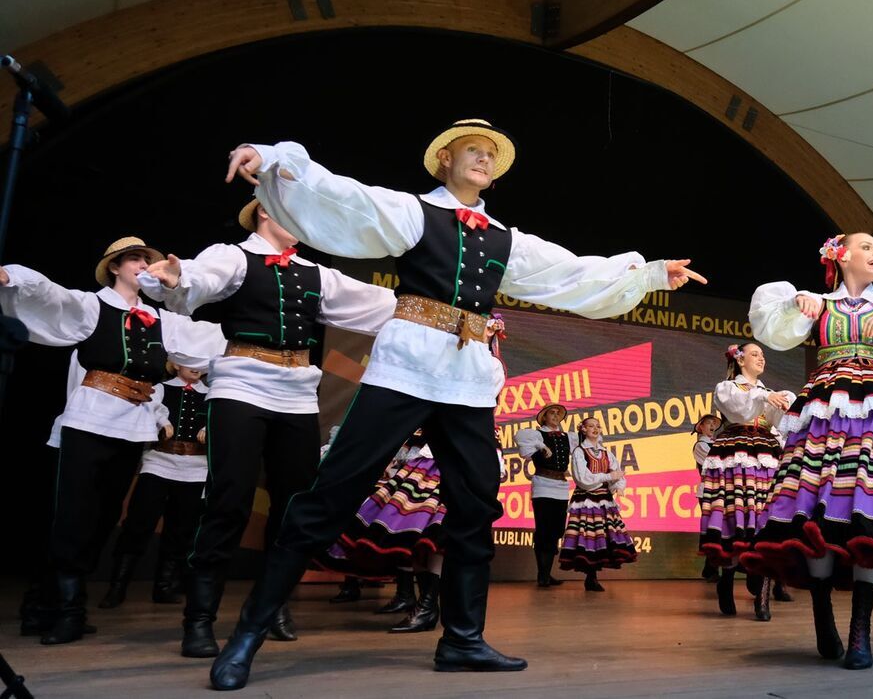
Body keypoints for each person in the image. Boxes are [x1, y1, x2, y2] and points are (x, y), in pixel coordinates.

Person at [207, 119, 705, 689]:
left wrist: (647, 274)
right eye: (474, 150)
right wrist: (271, 159)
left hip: (466, 380)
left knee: (474, 508)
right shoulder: (416, 213)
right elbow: (344, 198)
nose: (484, 160)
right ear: (444, 159)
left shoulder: (505, 238)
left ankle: (462, 639)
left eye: (491, 155)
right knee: (329, 494)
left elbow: (569, 273)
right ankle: (249, 634)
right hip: (407, 367)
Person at [140, 198, 397, 657]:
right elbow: (198, 279)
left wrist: (434, 309)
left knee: (294, 506)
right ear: (263, 212)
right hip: (241, 386)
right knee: (229, 501)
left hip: (298, 392)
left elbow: (378, 303)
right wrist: (179, 279)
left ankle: (272, 604)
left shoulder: (317, 274)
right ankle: (199, 619)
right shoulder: (234, 256)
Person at [0, 237, 224, 645]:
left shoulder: (161, 321)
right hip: (90, 421)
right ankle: (63, 608)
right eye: (134, 259)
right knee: (73, 517)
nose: (142, 264)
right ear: (116, 267)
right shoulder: (91, 306)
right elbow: (52, 297)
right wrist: (12, 277)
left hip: (132, 427)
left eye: (146, 260)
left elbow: (208, 338)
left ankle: (52, 603)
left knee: (103, 520)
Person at [742, 232, 873, 670]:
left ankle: (861, 631)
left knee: (871, 512)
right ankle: (822, 615)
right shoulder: (817, 301)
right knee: (822, 508)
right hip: (828, 407)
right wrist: (797, 301)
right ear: (842, 255)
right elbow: (767, 320)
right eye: (869, 247)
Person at [98, 356, 211, 609]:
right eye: (189, 360)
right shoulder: (162, 388)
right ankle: (117, 586)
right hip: (159, 461)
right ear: (177, 363)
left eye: (200, 361)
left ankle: (164, 586)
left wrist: (210, 426)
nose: (195, 367)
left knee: (181, 528)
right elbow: (150, 408)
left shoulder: (212, 394)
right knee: (139, 522)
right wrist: (164, 422)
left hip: (195, 468)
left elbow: (221, 417)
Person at [315, 430, 446, 633]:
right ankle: (425, 605)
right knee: (412, 530)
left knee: (435, 529)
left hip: (455, 451)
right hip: (425, 453)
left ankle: (427, 606)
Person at [699, 342, 792, 619]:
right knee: (736, 515)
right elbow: (740, 411)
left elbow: (779, 422)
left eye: (763, 355)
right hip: (736, 452)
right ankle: (727, 580)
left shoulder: (770, 392)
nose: (761, 358)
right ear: (740, 361)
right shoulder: (727, 388)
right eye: (755, 354)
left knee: (766, 519)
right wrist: (765, 396)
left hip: (765, 453)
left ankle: (762, 596)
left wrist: (782, 404)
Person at [558, 416, 636, 591]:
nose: (595, 428)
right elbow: (583, 479)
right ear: (583, 429)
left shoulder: (606, 453)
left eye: (598, 426)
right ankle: (590, 576)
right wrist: (609, 477)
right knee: (588, 536)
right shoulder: (579, 451)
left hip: (603, 499)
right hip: (586, 499)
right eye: (591, 426)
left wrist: (618, 485)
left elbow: (617, 473)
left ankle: (592, 576)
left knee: (602, 537)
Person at [515, 404, 579, 588]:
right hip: (543, 485)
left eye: (558, 413)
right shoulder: (537, 435)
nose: (556, 415)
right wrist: (541, 445)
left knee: (557, 530)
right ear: (544, 417)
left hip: (560, 487)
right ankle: (542, 575)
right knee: (544, 530)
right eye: (552, 412)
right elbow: (519, 435)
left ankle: (546, 573)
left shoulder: (567, 437)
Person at [691, 414, 721, 582]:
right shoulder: (701, 445)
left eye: (713, 423)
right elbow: (715, 463)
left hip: (719, 490)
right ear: (700, 427)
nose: (712, 426)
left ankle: (710, 567)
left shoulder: (715, 444)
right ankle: (711, 568)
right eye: (708, 423)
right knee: (712, 529)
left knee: (718, 528)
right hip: (707, 490)